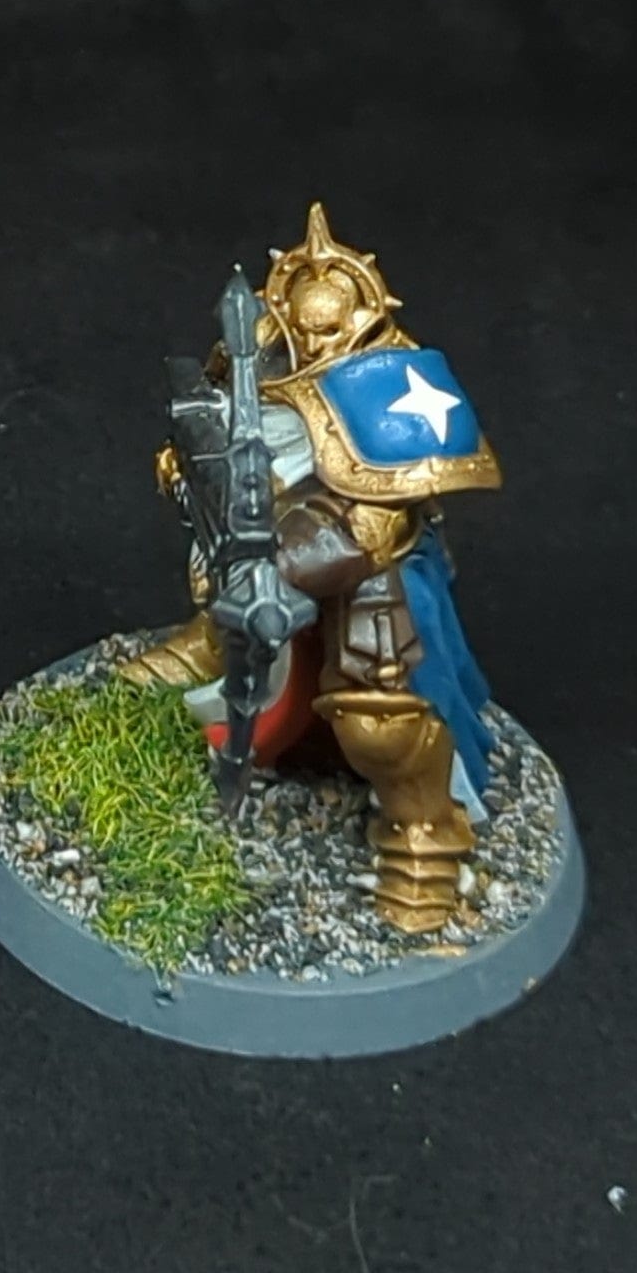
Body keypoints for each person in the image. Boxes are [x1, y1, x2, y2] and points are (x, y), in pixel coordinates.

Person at [122, 206, 505, 935]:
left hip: (366, 568)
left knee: (380, 709)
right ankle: (212, 655)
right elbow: (227, 449)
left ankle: (425, 838)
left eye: (328, 328)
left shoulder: (392, 378)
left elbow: (376, 521)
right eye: (305, 326)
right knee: (232, 624)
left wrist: (278, 561)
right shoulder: (260, 358)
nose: (315, 341)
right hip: (262, 552)